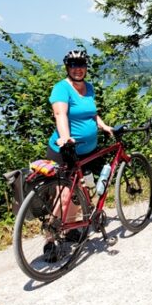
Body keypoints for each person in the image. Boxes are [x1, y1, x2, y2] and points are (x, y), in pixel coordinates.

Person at [44, 50, 113, 261]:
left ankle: (73, 227)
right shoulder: (61, 88)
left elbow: (92, 112)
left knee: (82, 189)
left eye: (81, 63)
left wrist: (102, 125)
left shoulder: (89, 88)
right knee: (63, 196)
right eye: (73, 64)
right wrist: (65, 138)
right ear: (67, 67)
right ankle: (50, 241)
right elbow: (60, 114)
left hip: (88, 151)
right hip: (65, 151)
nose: (77, 68)